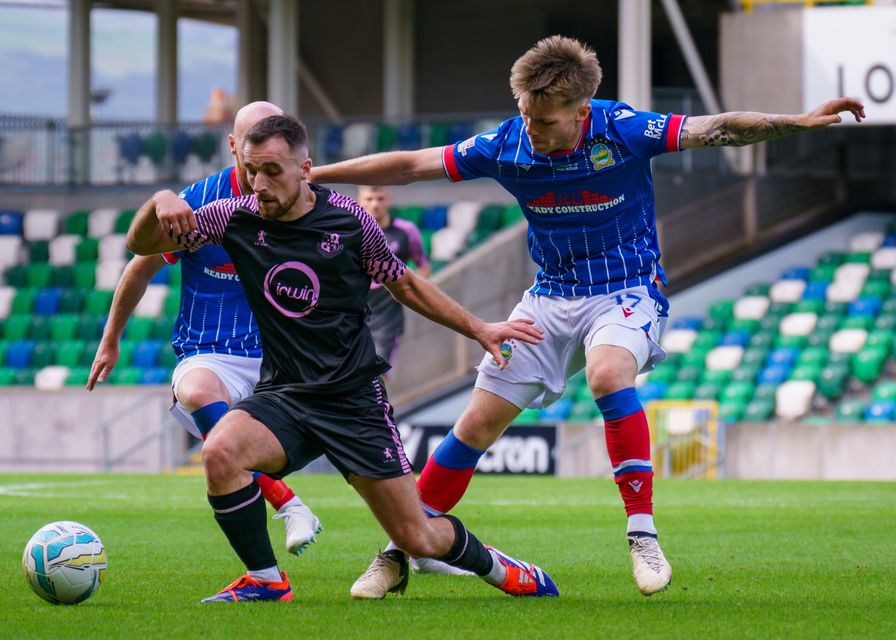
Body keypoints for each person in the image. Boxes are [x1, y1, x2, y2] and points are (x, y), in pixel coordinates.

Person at [309, 35, 866, 598]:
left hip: (626, 291)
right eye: (525, 116)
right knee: (475, 425)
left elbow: (715, 126)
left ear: (581, 112)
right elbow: (410, 165)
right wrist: (316, 177)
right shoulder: (508, 143)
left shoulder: (622, 130)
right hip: (549, 300)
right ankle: (400, 550)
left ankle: (642, 534)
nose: (532, 130)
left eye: (545, 122)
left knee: (606, 373)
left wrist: (796, 121)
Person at [126, 114, 559, 603]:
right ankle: (266, 581)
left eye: (272, 170)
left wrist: (478, 327)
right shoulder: (233, 217)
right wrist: (161, 201)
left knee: (418, 537)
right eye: (251, 171)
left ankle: (498, 567)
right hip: (284, 397)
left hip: (353, 402)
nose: (259, 184)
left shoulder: (350, 223)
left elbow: (406, 284)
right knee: (220, 452)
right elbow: (140, 244)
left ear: (305, 169)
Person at [88, 102, 322, 556]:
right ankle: (287, 506)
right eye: (250, 141)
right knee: (196, 391)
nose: (259, 157)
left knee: (367, 448)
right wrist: (110, 340)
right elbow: (139, 265)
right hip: (211, 351)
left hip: (281, 356)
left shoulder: (300, 199)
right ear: (234, 145)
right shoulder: (199, 203)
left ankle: (418, 544)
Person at [357, 185, 431, 364]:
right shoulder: (351, 231)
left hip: (388, 317)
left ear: (388, 201)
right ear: (360, 202)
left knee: (379, 371)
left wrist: (408, 290)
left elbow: (423, 266)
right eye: (369, 199)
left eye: (380, 199)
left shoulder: (406, 230)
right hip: (354, 313)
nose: (375, 204)